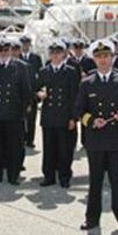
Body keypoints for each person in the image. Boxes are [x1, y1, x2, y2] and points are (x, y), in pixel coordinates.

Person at [77, 39, 118, 235]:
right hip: (95, 140)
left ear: (112, 57)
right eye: (98, 56)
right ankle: (91, 219)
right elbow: (79, 110)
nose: (102, 60)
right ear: (94, 59)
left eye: (106, 56)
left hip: (116, 140)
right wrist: (91, 120)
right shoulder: (87, 83)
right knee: (95, 181)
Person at [0, 39, 32, 185]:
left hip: (14, 115)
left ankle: (13, 176)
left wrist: (23, 113)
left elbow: (26, 91)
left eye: (6, 50)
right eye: (0, 50)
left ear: (10, 50)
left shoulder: (21, 67)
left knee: (14, 146)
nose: (3, 53)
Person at [34, 40, 80, 187]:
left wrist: (74, 117)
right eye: (52, 52)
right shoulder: (44, 71)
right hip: (49, 115)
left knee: (65, 149)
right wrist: (39, 94)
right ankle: (49, 176)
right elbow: (34, 90)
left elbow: (75, 96)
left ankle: (64, 176)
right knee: (49, 148)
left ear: (64, 54)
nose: (55, 55)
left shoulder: (71, 71)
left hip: (65, 115)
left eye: (58, 52)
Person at [18, 36, 42, 149]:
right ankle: (21, 139)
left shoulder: (36, 58)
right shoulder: (17, 57)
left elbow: (40, 74)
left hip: (32, 91)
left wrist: (38, 91)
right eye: (23, 43)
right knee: (20, 118)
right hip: (19, 93)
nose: (25, 45)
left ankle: (30, 140)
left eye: (27, 43)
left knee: (31, 118)